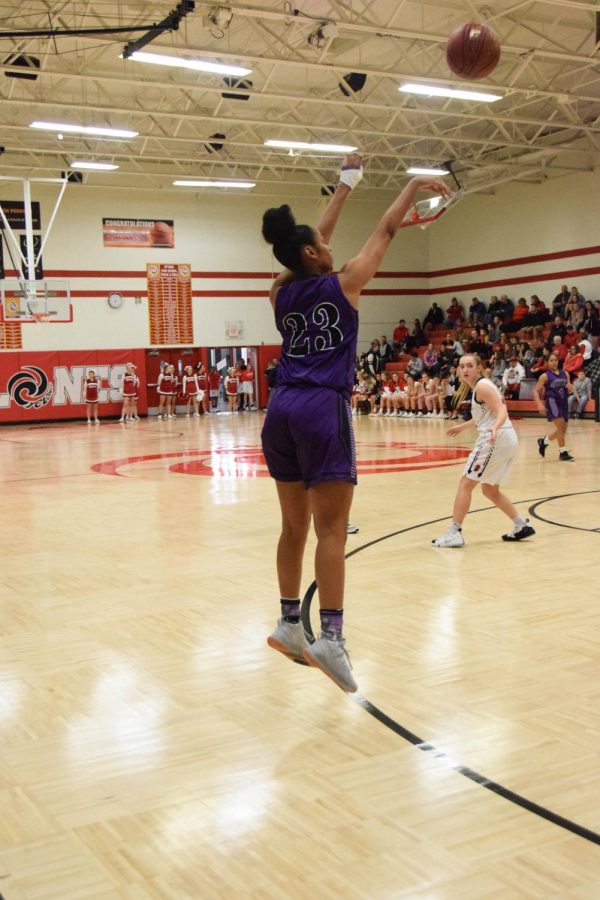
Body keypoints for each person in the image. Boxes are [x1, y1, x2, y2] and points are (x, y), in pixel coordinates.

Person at [261, 156, 451, 692]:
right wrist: (411, 187)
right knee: (332, 531)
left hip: (280, 409)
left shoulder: (280, 292)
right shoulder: (345, 283)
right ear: (310, 253)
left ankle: (289, 623)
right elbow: (386, 229)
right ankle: (333, 639)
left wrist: (345, 188)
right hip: (322, 407)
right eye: (321, 245)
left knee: (293, 528)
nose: (331, 246)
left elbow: (309, 242)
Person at [432, 354, 535, 547]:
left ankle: (455, 532)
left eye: (470, 366)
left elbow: (502, 410)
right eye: (462, 366)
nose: (465, 370)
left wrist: (495, 427)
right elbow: (484, 416)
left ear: (479, 367)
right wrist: (462, 427)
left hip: (496, 438)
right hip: (507, 438)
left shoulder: (482, 386)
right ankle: (521, 525)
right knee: (489, 489)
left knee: (465, 484)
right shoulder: (480, 387)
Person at [533, 352, 574, 461]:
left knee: (563, 430)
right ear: (547, 363)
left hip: (563, 402)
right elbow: (536, 391)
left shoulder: (565, 374)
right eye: (551, 360)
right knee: (560, 428)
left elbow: (569, 389)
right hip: (552, 403)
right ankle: (563, 452)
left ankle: (544, 441)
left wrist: (571, 388)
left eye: (555, 360)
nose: (554, 362)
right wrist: (539, 404)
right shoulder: (545, 376)